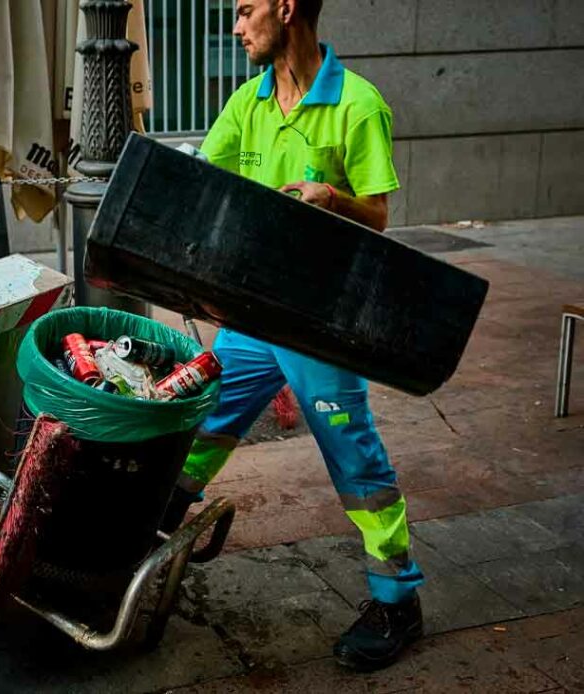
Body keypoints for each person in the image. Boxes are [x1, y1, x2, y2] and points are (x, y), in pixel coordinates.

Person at [160, 0, 424, 672]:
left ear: (285, 6)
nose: (236, 26)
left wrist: (333, 200)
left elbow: (381, 215)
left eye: (245, 10)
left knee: (353, 454)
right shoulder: (247, 103)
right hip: (254, 316)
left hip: (318, 322)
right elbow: (201, 178)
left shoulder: (358, 104)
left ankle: (397, 600)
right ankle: (151, 533)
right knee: (203, 422)